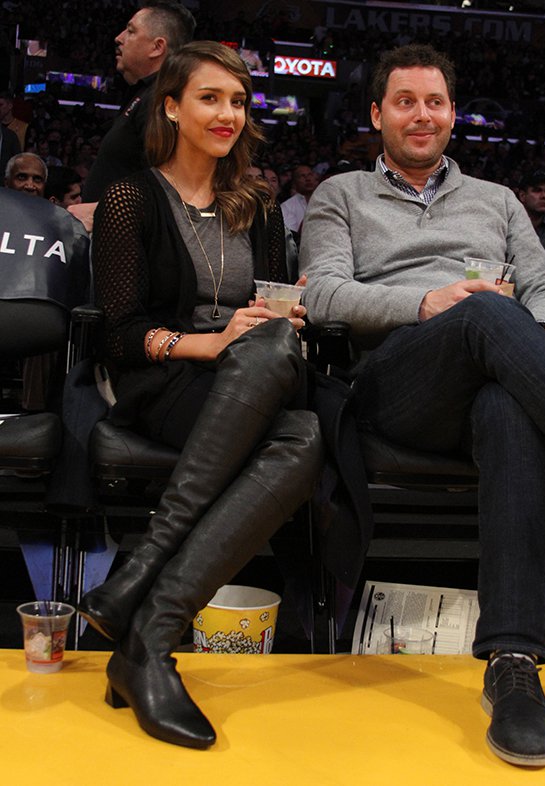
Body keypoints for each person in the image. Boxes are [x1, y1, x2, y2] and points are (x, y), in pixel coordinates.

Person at [300, 43, 545, 768]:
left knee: (509, 397)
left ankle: (513, 665)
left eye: (435, 102)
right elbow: (322, 293)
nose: (422, 114)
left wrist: (526, 333)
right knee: (482, 314)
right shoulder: (341, 193)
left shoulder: (496, 200)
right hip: (394, 385)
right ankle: (491, 332)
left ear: (454, 116)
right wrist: (431, 303)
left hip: (487, 378)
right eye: (405, 101)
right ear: (377, 114)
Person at [77, 41, 322, 750]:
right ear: (172, 107)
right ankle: (148, 627)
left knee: (277, 350)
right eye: (211, 98)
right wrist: (210, 343)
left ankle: (143, 614)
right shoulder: (131, 199)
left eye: (239, 102)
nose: (228, 114)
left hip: (252, 375)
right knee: (301, 438)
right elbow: (116, 334)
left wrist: (281, 314)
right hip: (168, 374)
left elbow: (272, 310)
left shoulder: (262, 204)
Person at [71, 0, 196, 228]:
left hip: (127, 246)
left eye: (131, 31)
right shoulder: (146, 93)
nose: (119, 38)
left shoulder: (163, 98)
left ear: (157, 47)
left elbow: (172, 191)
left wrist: (99, 210)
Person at [280, 163, 319, 237]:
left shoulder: (324, 200)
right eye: (302, 176)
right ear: (295, 183)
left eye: (310, 175)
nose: (308, 179)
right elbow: (292, 236)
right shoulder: (287, 206)